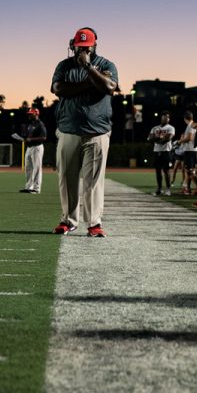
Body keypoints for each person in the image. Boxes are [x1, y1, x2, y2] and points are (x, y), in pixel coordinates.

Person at [50, 27, 118, 237]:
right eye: (80, 48)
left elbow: (109, 87)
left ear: (94, 45)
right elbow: (59, 89)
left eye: (86, 48)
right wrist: (91, 81)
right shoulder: (64, 65)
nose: (83, 52)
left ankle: (94, 223)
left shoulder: (106, 64)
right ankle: (68, 221)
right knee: (67, 178)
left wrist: (88, 68)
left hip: (97, 132)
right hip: (69, 129)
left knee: (94, 182)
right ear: (73, 45)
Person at [19, 108, 47, 193]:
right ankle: (28, 187)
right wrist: (24, 137)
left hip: (37, 147)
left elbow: (44, 137)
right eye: (29, 114)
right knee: (28, 168)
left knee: (37, 168)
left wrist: (31, 139)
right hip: (29, 148)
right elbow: (28, 137)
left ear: (36, 114)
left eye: (31, 114)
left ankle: (36, 188)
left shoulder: (40, 124)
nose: (29, 115)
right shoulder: (31, 124)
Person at [147, 111, 175, 196]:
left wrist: (156, 139)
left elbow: (168, 139)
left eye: (168, 117)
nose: (166, 119)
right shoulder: (155, 128)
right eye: (164, 117)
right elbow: (149, 139)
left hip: (166, 151)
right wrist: (159, 138)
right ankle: (159, 189)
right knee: (157, 171)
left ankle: (168, 189)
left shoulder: (170, 128)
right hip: (156, 151)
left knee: (166, 170)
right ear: (161, 118)